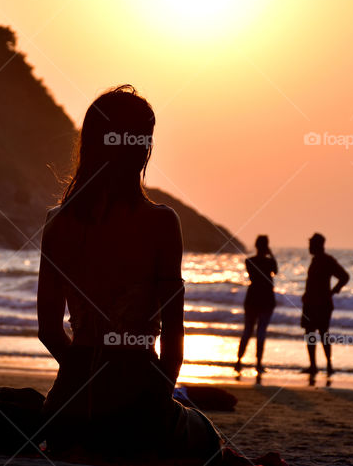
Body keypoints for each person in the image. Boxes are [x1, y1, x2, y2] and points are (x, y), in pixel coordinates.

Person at [36, 85, 222, 463]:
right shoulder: (160, 222)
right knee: (209, 442)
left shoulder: (58, 222)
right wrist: (159, 392)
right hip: (139, 399)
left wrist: (83, 379)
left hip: (66, 409)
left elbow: (49, 331)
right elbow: (173, 329)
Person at [300, 232, 349, 376]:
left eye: (311, 244)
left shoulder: (327, 260)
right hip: (312, 303)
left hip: (321, 305)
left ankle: (327, 365)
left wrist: (332, 292)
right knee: (312, 334)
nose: (309, 247)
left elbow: (344, 277)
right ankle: (315, 366)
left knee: (322, 334)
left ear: (318, 245)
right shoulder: (317, 260)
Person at [234, 235, 277, 376]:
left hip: (252, 298)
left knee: (247, 331)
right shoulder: (269, 261)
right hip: (265, 299)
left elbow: (254, 276)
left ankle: (239, 361)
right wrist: (271, 254)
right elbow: (275, 271)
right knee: (261, 332)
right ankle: (258, 363)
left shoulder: (250, 261)